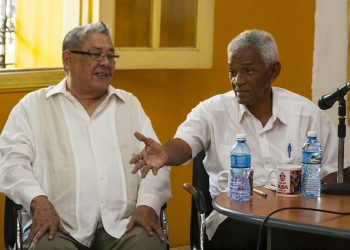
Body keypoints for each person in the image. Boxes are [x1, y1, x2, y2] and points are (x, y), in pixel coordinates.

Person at [130, 30, 341, 250]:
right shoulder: (212, 111)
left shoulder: (305, 113)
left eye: (248, 71)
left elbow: (337, 171)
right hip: (236, 217)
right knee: (271, 240)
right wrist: (165, 153)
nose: (237, 81)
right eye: (232, 72)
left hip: (299, 214)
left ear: (273, 71)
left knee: (331, 238)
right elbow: (183, 144)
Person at [0, 21, 171, 250]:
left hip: (122, 225)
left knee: (148, 244)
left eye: (111, 56)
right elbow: (11, 163)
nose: (106, 63)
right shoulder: (33, 107)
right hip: (58, 227)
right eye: (96, 54)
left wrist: (148, 205)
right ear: (68, 59)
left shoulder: (129, 104)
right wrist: (37, 200)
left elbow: (155, 162)